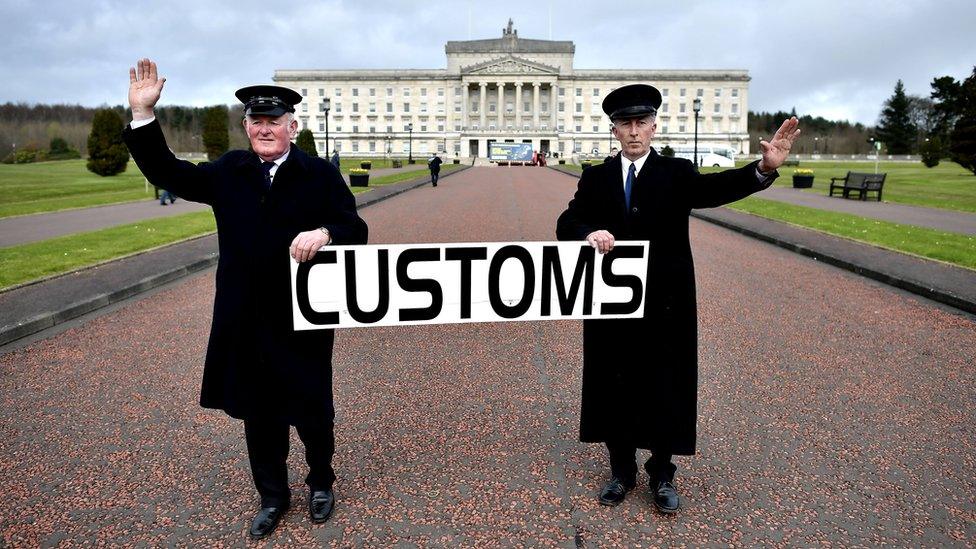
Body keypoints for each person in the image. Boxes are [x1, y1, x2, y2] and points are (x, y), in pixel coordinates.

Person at [122, 59, 368, 539]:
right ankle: (273, 496)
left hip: (302, 315)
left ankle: (321, 480)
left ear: (292, 127)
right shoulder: (231, 171)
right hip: (246, 316)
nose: (264, 128)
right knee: (260, 414)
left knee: (313, 409)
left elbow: (354, 229)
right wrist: (143, 115)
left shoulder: (318, 173)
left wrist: (325, 232)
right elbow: (168, 171)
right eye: (256, 121)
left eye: (274, 121)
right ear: (246, 126)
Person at [556, 84, 799, 514]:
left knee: (666, 384)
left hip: (666, 301)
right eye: (625, 124)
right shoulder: (596, 177)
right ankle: (621, 471)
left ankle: (662, 474)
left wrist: (762, 168)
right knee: (615, 383)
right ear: (614, 130)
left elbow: (716, 189)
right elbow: (568, 220)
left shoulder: (676, 172)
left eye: (641, 123)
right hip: (612, 302)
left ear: (653, 127)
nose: (634, 131)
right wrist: (587, 232)